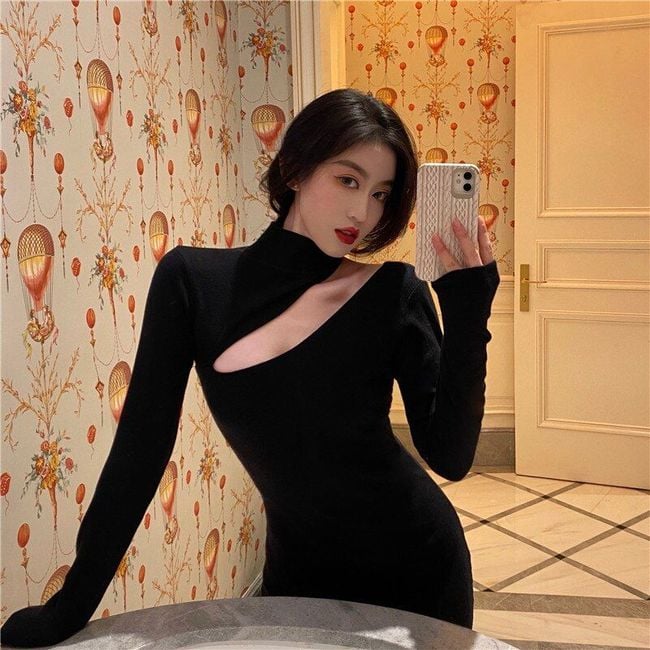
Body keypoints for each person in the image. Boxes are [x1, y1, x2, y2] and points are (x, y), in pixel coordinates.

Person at [1, 88, 499, 647]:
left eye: (381, 193)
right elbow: (140, 450)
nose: (363, 213)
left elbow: (450, 456)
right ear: (295, 170)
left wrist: (468, 308)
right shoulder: (191, 283)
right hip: (298, 576)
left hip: (417, 570)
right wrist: (70, 607)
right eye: (348, 180)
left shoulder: (392, 291)